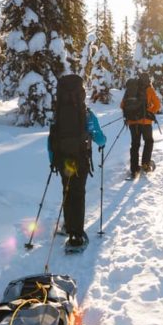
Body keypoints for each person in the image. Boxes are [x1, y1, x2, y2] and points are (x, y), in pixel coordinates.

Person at [48, 73, 106, 252]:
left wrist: (53, 160)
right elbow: (100, 138)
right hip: (80, 159)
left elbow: (51, 138)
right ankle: (76, 236)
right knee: (78, 193)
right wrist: (99, 140)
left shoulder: (58, 113)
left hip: (62, 159)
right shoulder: (86, 113)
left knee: (67, 190)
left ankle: (68, 225)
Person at [121, 71, 162, 177]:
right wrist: (149, 112)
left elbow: (122, 105)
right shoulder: (149, 89)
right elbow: (157, 105)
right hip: (146, 122)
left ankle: (134, 169)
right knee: (148, 141)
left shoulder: (132, 89)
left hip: (132, 122)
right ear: (148, 80)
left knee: (135, 144)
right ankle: (145, 164)